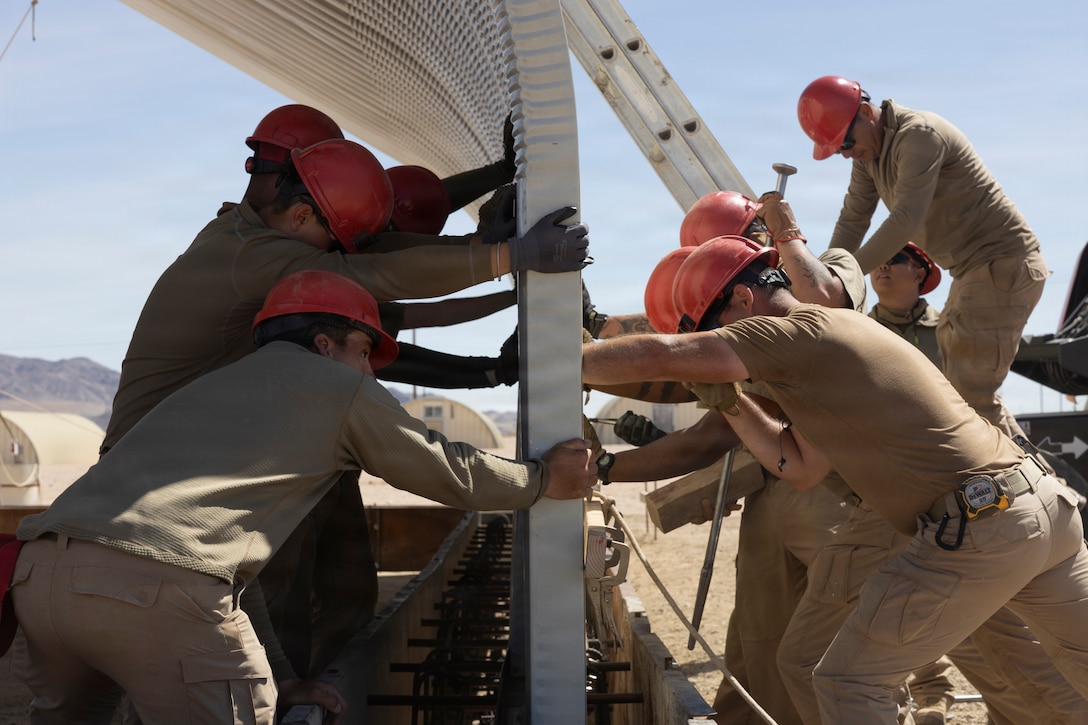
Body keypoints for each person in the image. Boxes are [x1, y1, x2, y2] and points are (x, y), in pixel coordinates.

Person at [101, 133, 587, 685]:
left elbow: (382, 269)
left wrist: (485, 253)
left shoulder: (273, 250)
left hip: (225, 454)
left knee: (331, 594)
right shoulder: (259, 258)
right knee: (254, 616)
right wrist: (506, 258)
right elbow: (375, 281)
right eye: (337, 243)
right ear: (303, 212)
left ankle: (305, 690)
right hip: (172, 469)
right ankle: (289, 696)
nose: (341, 256)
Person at [11, 270, 597, 724]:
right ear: (324, 343)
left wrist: (285, 677)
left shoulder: (211, 389)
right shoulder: (336, 386)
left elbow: (228, 570)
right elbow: (448, 472)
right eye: (364, 351)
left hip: (41, 577)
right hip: (156, 589)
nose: (369, 372)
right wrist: (543, 479)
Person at [582, 234, 1088, 724]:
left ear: (743, 296)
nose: (719, 341)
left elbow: (666, 354)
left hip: (979, 523)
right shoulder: (823, 353)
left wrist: (558, 364)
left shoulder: (795, 331)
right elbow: (799, 466)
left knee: (848, 682)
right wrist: (733, 402)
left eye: (717, 327)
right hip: (1039, 509)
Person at [797, 75, 1049, 440]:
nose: (848, 153)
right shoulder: (869, 157)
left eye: (847, 142)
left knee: (968, 401)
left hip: (1001, 264)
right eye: (839, 150)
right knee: (966, 398)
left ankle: (1037, 492)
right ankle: (1044, 488)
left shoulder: (919, 135)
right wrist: (819, 279)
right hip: (974, 271)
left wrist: (839, 283)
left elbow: (904, 220)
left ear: (867, 113)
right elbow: (853, 221)